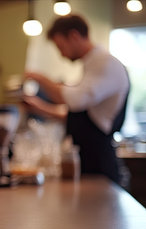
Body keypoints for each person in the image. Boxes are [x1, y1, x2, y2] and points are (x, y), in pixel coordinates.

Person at [23, 14, 130, 185]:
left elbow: (75, 100)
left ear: (74, 36)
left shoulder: (106, 64)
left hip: (99, 163)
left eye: (60, 46)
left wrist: (38, 77)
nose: (61, 54)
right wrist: (38, 107)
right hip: (88, 158)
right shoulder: (93, 66)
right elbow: (80, 116)